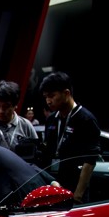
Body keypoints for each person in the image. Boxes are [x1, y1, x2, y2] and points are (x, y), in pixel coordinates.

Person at [37, 72, 101, 204]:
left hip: (75, 188)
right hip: (53, 185)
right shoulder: (51, 119)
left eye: (52, 96)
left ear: (66, 93)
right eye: (46, 97)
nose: (48, 101)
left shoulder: (86, 119)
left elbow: (90, 161)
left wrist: (78, 195)